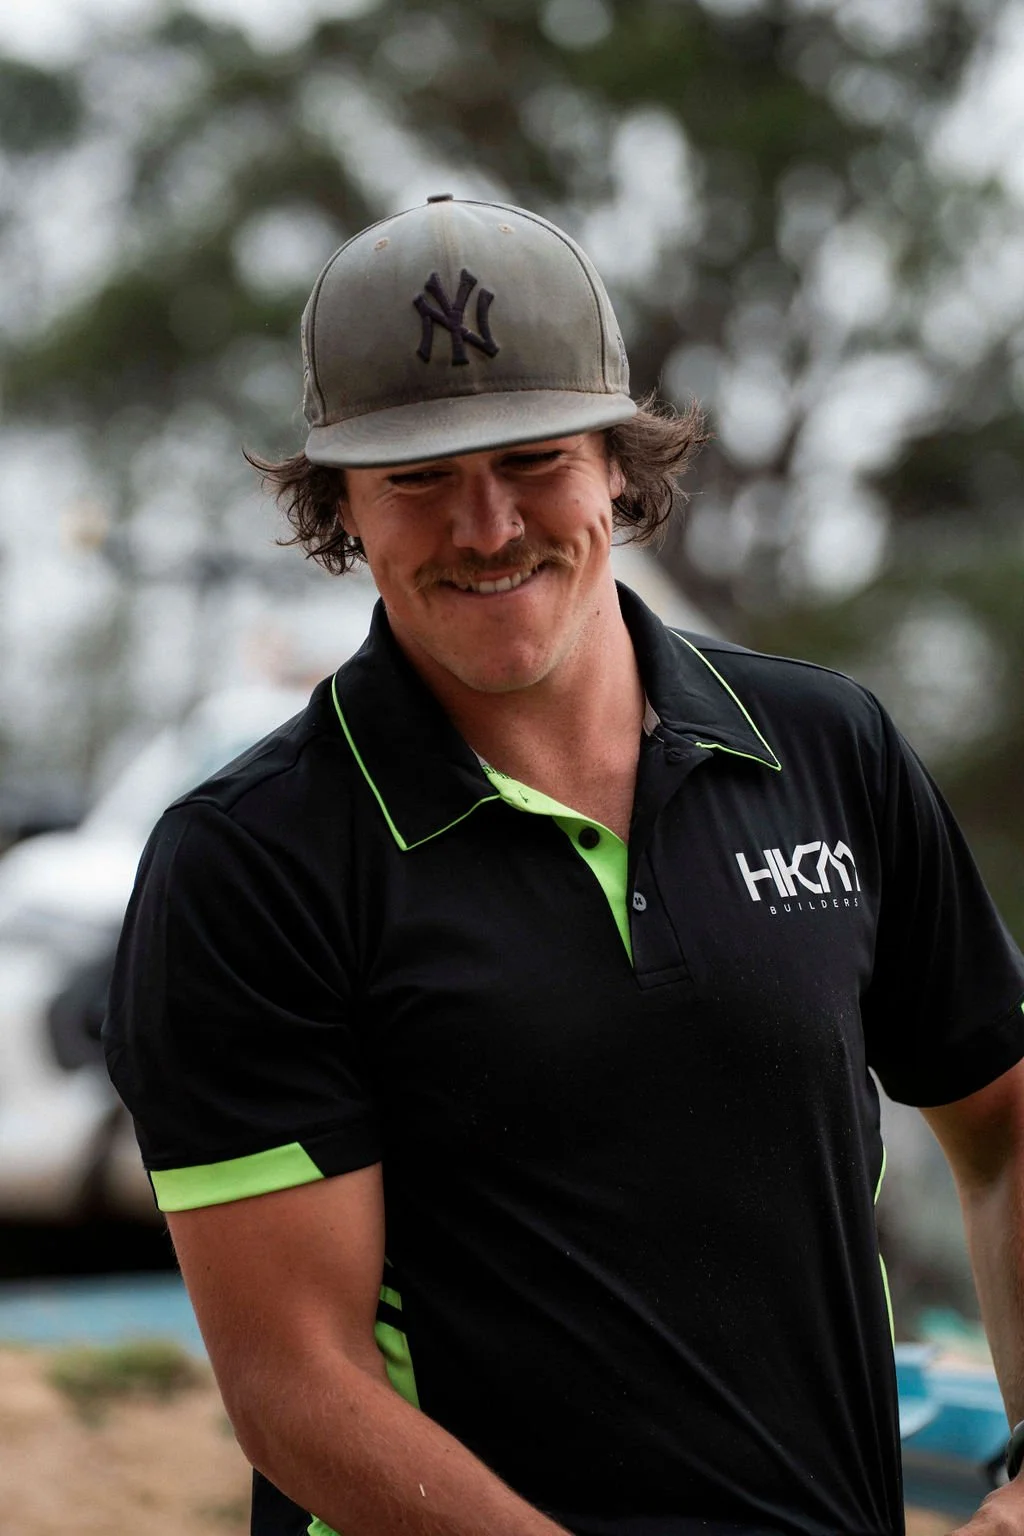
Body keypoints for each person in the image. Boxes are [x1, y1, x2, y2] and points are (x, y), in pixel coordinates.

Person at [103, 194, 1024, 1536]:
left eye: (532, 459)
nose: (485, 528)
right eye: (417, 478)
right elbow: (296, 1385)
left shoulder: (829, 748)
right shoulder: (247, 864)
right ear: (339, 504)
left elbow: (1002, 1128)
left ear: (617, 465)